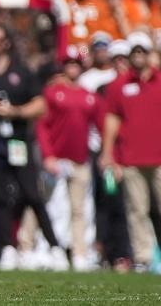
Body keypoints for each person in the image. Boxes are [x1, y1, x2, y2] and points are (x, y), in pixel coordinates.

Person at [0, 27, 65, 271]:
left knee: (31, 193)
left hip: (18, 142)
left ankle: (54, 246)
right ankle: (6, 246)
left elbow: (40, 106)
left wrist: (14, 111)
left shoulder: (21, 73)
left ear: (7, 43)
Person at [100, 32, 161, 274]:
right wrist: (108, 153)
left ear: (149, 54)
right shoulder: (119, 86)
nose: (139, 56)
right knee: (137, 210)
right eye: (135, 52)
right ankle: (142, 256)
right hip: (131, 157)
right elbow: (112, 120)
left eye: (142, 51)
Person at [38, 46, 100, 271]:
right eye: (68, 64)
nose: (72, 68)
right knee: (51, 207)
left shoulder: (90, 97)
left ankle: (80, 252)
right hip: (56, 159)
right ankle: (49, 249)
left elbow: (98, 127)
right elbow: (43, 126)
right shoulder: (52, 92)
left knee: (79, 210)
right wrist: (48, 155)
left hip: (80, 160)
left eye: (76, 64)